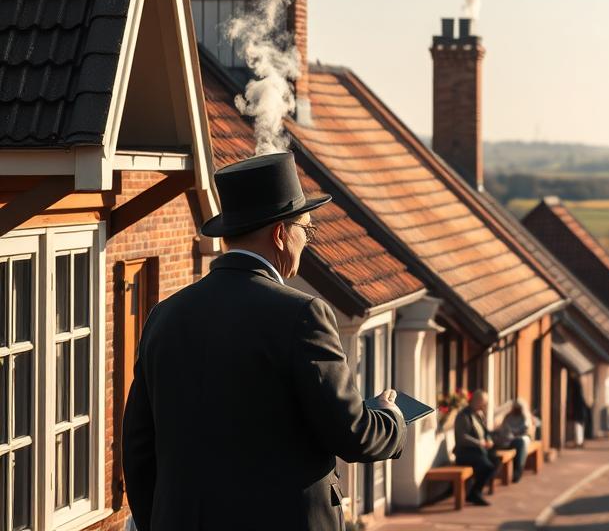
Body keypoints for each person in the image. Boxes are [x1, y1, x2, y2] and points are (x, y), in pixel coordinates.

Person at [123, 153, 405, 530]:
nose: (307, 242)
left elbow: (138, 449)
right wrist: (391, 417)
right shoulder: (303, 315)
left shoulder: (164, 316)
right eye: (306, 230)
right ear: (280, 234)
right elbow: (352, 433)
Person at [455, 389, 500, 506]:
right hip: (466, 453)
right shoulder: (463, 415)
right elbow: (462, 438)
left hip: (478, 451)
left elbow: (485, 432)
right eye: (484, 403)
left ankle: (476, 491)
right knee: (487, 467)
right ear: (477, 401)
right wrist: (479, 443)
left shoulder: (478, 415)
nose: (485, 406)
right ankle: (475, 493)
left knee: (496, 460)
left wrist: (489, 440)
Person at [495, 400, 533, 483]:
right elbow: (504, 428)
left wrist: (515, 433)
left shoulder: (524, 417)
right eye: (515, 408)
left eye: (518, 408)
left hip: (521, 438)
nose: (516, 410)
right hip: (508, 439)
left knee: (521, 443)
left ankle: (517, 472)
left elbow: (526, 430)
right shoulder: (508, 416)